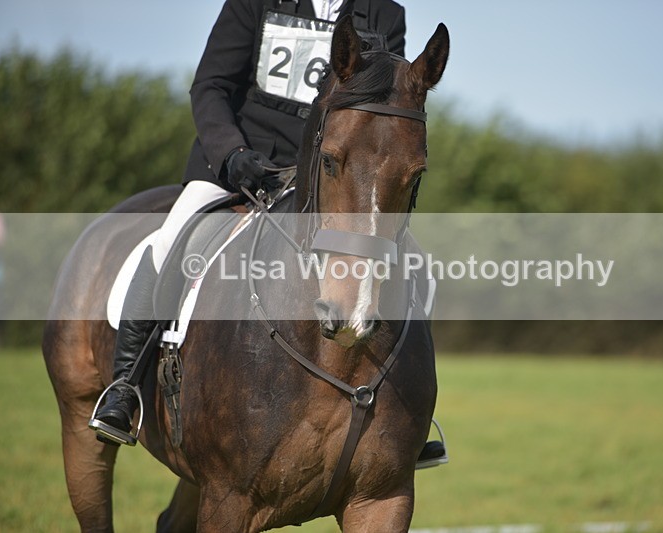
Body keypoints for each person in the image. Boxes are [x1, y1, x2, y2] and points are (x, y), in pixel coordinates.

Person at [91, 0, 444, 459]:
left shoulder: (384, 13)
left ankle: (405, 414)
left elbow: (380, 104)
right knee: (169, 242)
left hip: (323, 172)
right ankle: (124, 388)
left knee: (413, 269)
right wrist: (232, 153)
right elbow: (211, 85)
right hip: (237, 161)